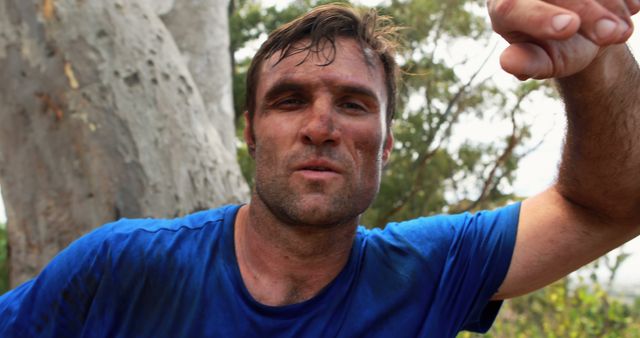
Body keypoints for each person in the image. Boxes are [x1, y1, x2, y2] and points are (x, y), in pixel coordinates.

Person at [1, 1, 639, 336]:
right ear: (249, 133)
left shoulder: (427, 273)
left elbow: (612, 204)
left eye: (355, 104)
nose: (320, 125)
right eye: (289, 100)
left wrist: (593, 63)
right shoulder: (122, 267)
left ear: (386, 145)